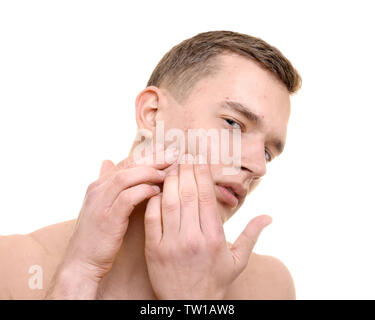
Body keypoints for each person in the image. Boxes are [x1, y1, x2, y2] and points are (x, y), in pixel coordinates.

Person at [0, 30, 301, 299]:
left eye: (267, 153)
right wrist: (78, 275)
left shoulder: (271, 287)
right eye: (233, 124)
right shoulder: (12, 266)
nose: (257, 167)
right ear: (152, 113)